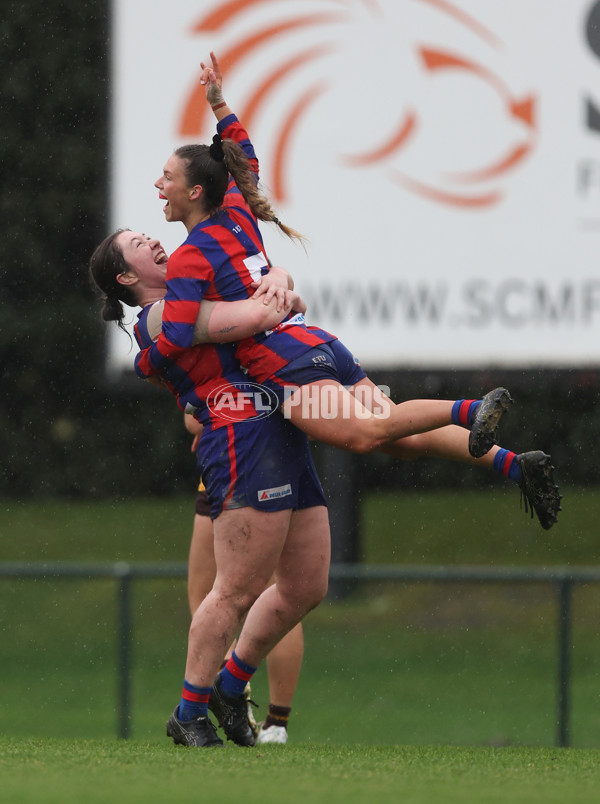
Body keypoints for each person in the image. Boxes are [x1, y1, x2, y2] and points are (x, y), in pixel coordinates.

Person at [134, 52, 560, 530]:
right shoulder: (236, 210)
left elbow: (174, 337)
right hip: (317, 344)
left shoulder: (190, 256)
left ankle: (470, 407)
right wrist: (218, 104)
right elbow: (244, 153)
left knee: (368, 434)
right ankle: (514, 464)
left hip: (283, 363)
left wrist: (142, 363)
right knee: (403, 434)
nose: (158, 183)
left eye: (167, 177)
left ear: (195, 193)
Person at [91, 230, 328, 750]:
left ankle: (229, 686)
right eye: (137, 243)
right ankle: (190, 711)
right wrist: (276, 282)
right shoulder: (161, 315)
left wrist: (279, 280)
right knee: (233, 590)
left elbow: (282, 304)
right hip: (244, 441)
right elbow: (265, 315)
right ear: (128, 278)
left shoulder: (193, 294)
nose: (153, 238)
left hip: (278, 428)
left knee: (306, 585)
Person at [186, 414, 301, 745]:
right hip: (282, 467)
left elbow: (194, 419)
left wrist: (203, 423)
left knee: (210, 595)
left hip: (229, 467)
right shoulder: (295, 364)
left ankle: (229, 700)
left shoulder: (226, 361)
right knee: (285, 597)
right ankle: (275, 724)